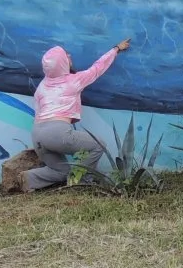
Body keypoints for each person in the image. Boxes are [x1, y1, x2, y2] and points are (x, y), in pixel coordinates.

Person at [24, 38, 131, 192]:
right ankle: (82, 180)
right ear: (62, 64)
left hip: (37, 135)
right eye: (66, 56)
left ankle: (27, 179)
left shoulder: (42, 86)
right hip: (57, 132)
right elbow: (97, 68)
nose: (69, 56)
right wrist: (116, 49)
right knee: (98, 144)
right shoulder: (73, 81)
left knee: (61, 171)